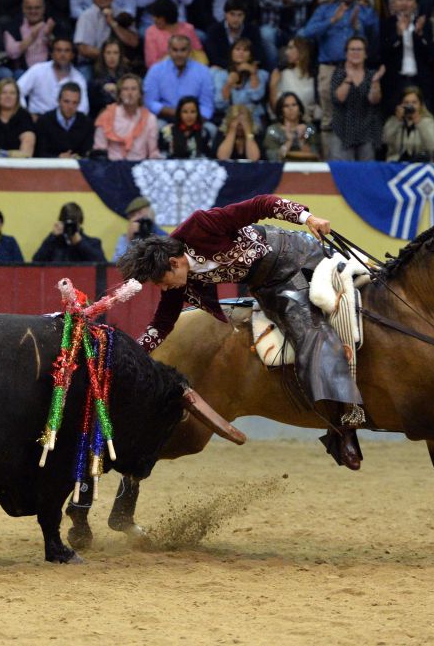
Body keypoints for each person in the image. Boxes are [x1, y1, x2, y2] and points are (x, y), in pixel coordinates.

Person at [117, 194, 365, 469]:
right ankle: (343, 428)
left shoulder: (201, 226)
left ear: (174, 263)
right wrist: (135, 354)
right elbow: (162, 324)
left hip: (297, 252)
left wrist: (309, 218)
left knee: (336, 311)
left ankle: (345, 426)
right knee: (311, 332)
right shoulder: (179, 280)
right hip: (272, 285)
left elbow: (262, 204)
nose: (163, 289)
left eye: (161, 282)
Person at [299, 0, 380, 130]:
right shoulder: (325, 9)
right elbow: (306, 33)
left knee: (357, 120)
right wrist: (332, 21)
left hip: (356, 69)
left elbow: (375, 39)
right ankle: (330, 155)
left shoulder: (366, 11)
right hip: (329, 67)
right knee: (329, 121)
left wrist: (358, 27)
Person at [329, 36, 384, 161]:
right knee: (343, 172)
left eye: (359, 49)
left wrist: (375, 83)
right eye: (352, 49)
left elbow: (374, 100)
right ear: (346, 53)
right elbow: (338, 99)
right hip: (342, 131)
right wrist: (349, 79)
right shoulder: (339, 73)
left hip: (366, 131)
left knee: (366, 173)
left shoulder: (371, 75)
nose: (355, 53)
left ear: (365, 54)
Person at [379, 0, 431, 114]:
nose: (404, 3)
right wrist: (398, 36)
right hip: (395, 82)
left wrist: (418, 36)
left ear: (415, 4)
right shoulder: (386, 24)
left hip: (419, 81)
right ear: (393, 3)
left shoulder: (424, 25)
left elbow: (431, 56)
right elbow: (381, 55)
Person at [144, 35, 215, 122]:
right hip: (164, 118)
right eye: (175, 50)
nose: (179, 54)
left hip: (194, 119)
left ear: (189, 51)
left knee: (211, 130)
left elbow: (207, 106)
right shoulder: (156, 70)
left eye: (183, 50)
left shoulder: (203, 71)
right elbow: (149, 102)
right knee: (157, 126)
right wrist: (176, 113)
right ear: (169, 50)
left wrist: (193, 120)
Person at [72, 0, 140, 71]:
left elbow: (134, 42)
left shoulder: (122, 14)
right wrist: (111, 57)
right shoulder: (86, 16)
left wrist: (113, 24)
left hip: (121, 64)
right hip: (92, 63)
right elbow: (83, 49)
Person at [17, 39, 90, 117]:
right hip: (36, 119)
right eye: (59, 50)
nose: (63, 54)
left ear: (72, 55)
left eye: (67, 51)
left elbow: (83, 109)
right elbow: (17, 90)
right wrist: (26, 114)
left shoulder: (78, 79)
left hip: (63, 122)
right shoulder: (37, 70)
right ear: (52, 54)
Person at [93, 75, 159, 159]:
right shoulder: (106, 115)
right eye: (125, 89)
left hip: (138, 167)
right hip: (111, 167)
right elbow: (99, 150)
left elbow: (153, 152)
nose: (130, 93)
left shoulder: (150, 119)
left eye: (134, 89)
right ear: (119, 94)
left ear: (140, 94)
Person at [212, 38, 268, 129]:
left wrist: (253, 74)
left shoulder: (261, 74)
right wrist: (228, 84)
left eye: (245, 50)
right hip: (230, 121)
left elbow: (256, 96)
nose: (241, 53)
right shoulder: (221, 75)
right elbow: (219, 104)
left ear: (250, 55)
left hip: (253, 120)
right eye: (237, 49)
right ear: (231, 53)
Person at [34, 83, 95, 158]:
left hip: (78, 166)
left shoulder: (86, 123)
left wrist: (78, 157)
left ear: (79, 103)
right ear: (59, 101)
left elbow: (87, 152)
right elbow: (39, 153)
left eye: (75, 103)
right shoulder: (44, 121)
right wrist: (58, 157)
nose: (70, 106)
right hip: (49, 167)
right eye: (66, 101)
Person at [381, 85, 434, 162]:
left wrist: (419, 123)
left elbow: (433, 146)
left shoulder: (428, 122)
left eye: (414, 102)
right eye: (406, 102)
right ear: (400, 105)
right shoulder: (394, 120)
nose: (410, 106)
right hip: (396, 164)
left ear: (420, 105)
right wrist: (397, 121)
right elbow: (385, 140)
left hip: (421, 164)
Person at [204, 0, 266, 71]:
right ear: (225, 14)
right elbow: (213, 57)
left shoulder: (252, 30)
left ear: (244, 16)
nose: (236, 19)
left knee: (262, 73)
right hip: (224, 68)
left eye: (240, 15)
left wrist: (247, 66)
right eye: (232, 14)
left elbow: (258, 53)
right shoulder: (214, 30)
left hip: (246, 68)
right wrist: (235, 67)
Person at [32, 201, 106, 262]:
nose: (70, 227)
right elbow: (36, 262)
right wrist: (52, 237)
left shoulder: (93, 243)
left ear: (80, 223)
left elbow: (102, 265)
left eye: (73, 224)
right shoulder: (54, 244)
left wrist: (80, 243)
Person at [144, 0, 205, 69]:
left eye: (157, 17)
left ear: (166, 17)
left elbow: (199, 54)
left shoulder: (188, 29)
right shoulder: (151, 32)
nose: (154, 19)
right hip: (163, 72)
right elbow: (151, 63)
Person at [0, 79, 37, 157]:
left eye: (12, 93)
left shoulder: (24, 116)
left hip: (17, 163)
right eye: (3, 93)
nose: (8, 96)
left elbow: (28, 140)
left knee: (30, 137)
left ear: (17, 97)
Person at [267, 37, 317, 121]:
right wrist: (273, 86)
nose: (286, 52)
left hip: (309, 124)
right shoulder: (283, 74)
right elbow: (276, 109)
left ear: (302, 50)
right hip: (285, 125)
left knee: (310, 130)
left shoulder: (315, 76)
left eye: (291, 48)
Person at [263, 92, 320, 161]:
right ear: (281, 110)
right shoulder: (272, 131)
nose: (290, 108)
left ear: (299, 108)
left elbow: (314, 158)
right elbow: (274, 159)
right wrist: (289, 141)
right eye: (286, 106)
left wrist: (302, 140)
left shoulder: (309, 129)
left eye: (294, 105)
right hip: (282, 170)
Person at [113, 195, 167, 261]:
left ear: (151, 213)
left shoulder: (163, 237)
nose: (139, 217)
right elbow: (115, 266)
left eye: (140, 213)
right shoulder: (125, 239)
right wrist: (128, 239)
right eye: (133, 215)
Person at [87, 39, 128, 117]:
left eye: (115, 53)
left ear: (120, 55)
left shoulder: (126, 75)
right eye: (108, 53)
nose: (112, 57)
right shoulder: (95, 78)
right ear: (103, 55)